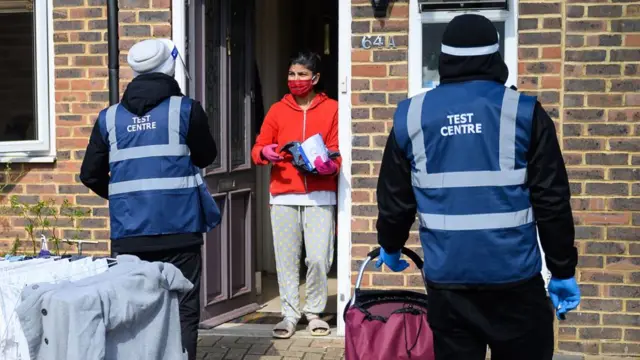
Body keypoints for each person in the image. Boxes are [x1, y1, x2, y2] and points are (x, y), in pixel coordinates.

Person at [374, 14, 580, 360]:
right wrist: (562, 271)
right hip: (514, 281)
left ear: (444, 59)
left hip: (448, 282)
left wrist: (390, 246)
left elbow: (395, 199)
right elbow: (552, 200)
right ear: (495, 57)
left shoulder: (412, 115)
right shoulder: (524, 112)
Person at [79, 38, 221, 360]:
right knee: (183, 307)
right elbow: (207, 154)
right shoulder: (185, 110)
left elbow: (90, 174)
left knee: (133, 309)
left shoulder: (109, 118)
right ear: (170, 68)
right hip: (180, 229)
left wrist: (122, 197)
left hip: (130, 233)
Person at [251, 51, 340, 339]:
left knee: (317, 258)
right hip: (284, 196)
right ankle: (289, 314)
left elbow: (337, 149)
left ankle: (313, 312)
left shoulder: (334, 109)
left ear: (315, 78)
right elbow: (259, 147)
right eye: (292, 74)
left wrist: (331, 166)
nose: (296, 79)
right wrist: (265, 152)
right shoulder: (278, 110)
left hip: (320, 195)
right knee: (286, 260)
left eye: (302, 74)